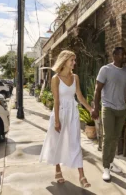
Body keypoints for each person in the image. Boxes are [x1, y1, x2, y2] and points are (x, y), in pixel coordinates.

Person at [39, 50, 91, 188]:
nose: (74, 63)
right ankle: (57, 169)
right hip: (60, 112)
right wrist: (56, 120)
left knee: (75, 142)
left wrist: (90, 109)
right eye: (72, 60)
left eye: (74, 60)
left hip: (72, 113)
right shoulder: (55, 78)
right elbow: (56, 101)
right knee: (57, 141)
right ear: (64, 61)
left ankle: (82, 175)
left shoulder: (75, 77)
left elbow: (79, 96)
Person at [91, 47, 126, 181]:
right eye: (121, 54)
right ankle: (105, 168)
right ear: (114, 55)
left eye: (125, 54)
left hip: (121, 110)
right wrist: (95, 108)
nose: (124, 57)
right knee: (108, 137)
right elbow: (97, 90)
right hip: (108, 108)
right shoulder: (106, 69)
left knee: (115, 138)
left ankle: (111, 162)